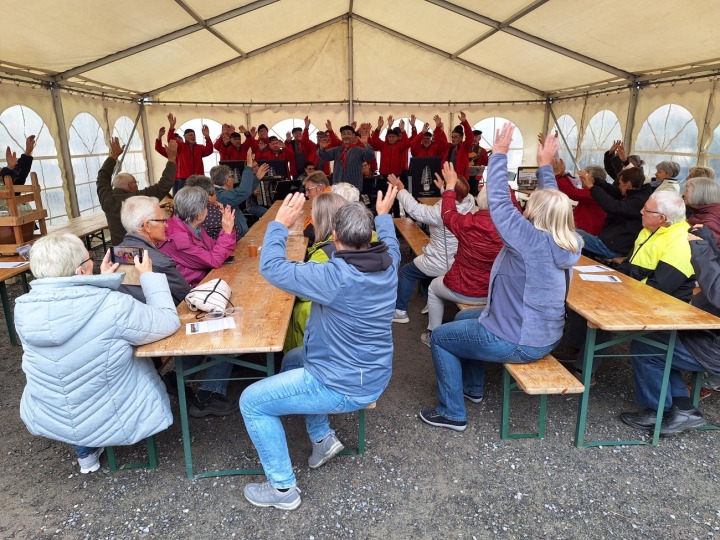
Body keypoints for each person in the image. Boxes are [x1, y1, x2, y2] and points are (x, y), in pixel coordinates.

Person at [240, 186, 400, 510]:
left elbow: (271, 268)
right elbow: (392, 240)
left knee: (252, 402)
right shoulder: (389, 262)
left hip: (342, 382)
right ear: (368, 235)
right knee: (291, 359)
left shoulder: (334, 276)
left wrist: (279, 225)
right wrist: (384, 215)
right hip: (370, 370)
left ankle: (282, 490)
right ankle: (321, 437)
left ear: (335, 236)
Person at [419, 126, 582, 431]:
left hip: (520, 338)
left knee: (440, 338)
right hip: (539, 329)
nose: (525, 206)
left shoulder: (529, 240)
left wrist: (499, 156)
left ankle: (452, 412)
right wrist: (545, 165)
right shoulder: (567, 239)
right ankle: (473, 388)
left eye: (530, 204)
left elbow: (502, 206)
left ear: (537, 213)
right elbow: (553, 201)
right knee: (457, 324)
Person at [15, 233, 180, 474]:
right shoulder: (112, 304)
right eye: (88, 258)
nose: (92, 261)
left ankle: (86, 452)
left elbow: (74, 314)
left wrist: (102, 281)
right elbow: (167, 322)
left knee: (70, 372)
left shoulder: (23, 308)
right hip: (111, 408)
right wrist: (149, 277)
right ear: (81, 271)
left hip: (52, 412)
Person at [620, 225, 720, 435]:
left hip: (713, 347)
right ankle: (683, 410)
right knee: (661, 341)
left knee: (647, 347)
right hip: (708, 335)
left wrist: (700, 250)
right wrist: (708, 241)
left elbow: (717, 293)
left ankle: (656, 410)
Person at [421, 181, 504, 347]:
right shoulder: (510, 227)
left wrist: (449, 188)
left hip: (464, 287)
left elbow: (447, 213)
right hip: (493, 291)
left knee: (433, 288)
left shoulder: (466, 223)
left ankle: (433, 334)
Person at [387, 173, 475, 325]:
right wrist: (444, 188)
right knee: (425, 274)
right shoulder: (471, 203)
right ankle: (432, 301)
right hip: (459, 261)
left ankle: (400, 312)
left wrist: (401, 189)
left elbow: (414, 209)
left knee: (407, 272)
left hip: (440, 261)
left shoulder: (440, 213)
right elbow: (455, 196)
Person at [282, 192, 348, 353]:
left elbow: (302, 290)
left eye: (313, 215)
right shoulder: (345, 244)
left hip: (315, 329)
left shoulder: (325, 252)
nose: (311, 220)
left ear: (322, 219)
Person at [97, 137, 177, 246]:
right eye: (136, 183)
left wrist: (113, 156)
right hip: (142, 249)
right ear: (131, 185)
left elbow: (102, 177)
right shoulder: (139, 199)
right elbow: (164, 185)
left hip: (120, 250)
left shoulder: (106, 200)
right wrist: (172, 159)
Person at [117, 196, 191, 305]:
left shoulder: (113, 255)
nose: (166, 225)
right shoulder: (159, 262)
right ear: (147, 226)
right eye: (162, 221)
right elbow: (187, 296)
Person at [158, 186, 236, 288]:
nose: (208, 210)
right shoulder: (178, 238)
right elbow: (214, 260)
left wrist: (227, 228)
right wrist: (226, 232)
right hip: (192, 288)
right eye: (206, 206)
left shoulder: (191, 225)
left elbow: (212, 247)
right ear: (198, 213)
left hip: (204, 277)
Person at [577, 166, 652, 259]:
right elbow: (611, 189)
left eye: (620, 184)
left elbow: (613, 207)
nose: (619, 187)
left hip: (613, 248)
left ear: (628, 184)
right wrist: (593, 179)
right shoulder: (635, 193)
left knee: (570, 234)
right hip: (610, 242)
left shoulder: (639, 201)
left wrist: (591, 187)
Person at [211, 149, 267, 237]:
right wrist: (248, 167)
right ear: (227, 181)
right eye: (232, 176)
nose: (233, 179)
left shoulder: (221, 193)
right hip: (237, 240)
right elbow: (243, 192)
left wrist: (256, 178)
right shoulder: (221, 196)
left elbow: (243, 193)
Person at [317, 124, 375, 190]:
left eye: (348, 133)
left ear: (353, 136)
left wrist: (365, 144)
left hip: (354, 188)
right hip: (338, 187)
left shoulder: (359, 150)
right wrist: (321, 148)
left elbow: (371, 156)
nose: (346, 136)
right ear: (341, 136)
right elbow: (323, 156)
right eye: (343, 134)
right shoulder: (336, 150)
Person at [166, 113, 214, 194]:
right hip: (184, 178)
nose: (193, 136)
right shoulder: (181, 146)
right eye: (190, 135)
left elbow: (209, 150)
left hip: (199, 178)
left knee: (200, 197)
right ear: (184, 136)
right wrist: (171, 127)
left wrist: (207, 137)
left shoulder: (199, 147)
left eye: (194, 135)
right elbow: (171, 140)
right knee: (184, 198)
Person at [556, 164, 607, 236]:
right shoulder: (597, 190)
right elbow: (574, 190)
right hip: (583, 229)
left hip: (585, 232)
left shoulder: (595, 193)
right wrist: (563, 175)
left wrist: (557, 175)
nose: (580, 179)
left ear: (592, 179)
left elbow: (571, 192)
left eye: (583, 177)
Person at [436, 112, 474, 181]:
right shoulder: (449, 146)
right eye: (452, 137)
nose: (453, 139)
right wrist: (438, 127)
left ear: (461, 137)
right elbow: (438, 140)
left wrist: (465, 123)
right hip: (447, 177)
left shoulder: (465, 147)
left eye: (456, 137)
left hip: (460, 178)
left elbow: (470, 137)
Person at [685, 176, 720, 247]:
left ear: (698, 194)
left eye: (687, 190)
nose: (683, 193)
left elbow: (708, 252)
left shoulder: (710, 220)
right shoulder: (701, 211)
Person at [185, 175, 223, 240]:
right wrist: (223, 213)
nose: (216, 195)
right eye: (215, 193)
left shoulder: (183, 208)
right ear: (208, 196)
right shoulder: (214, 212)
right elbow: (235, 236)